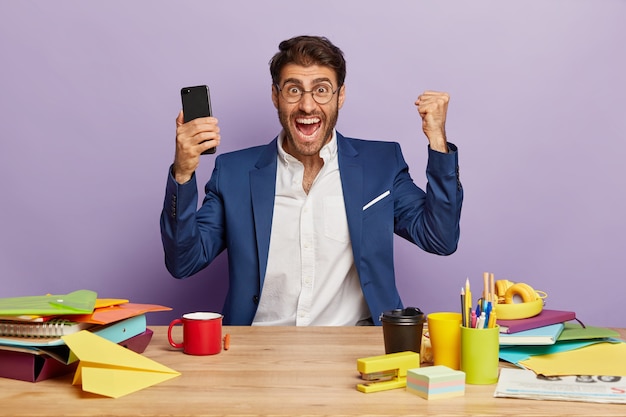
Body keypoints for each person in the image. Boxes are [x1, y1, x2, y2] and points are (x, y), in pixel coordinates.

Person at [160, 35, 463, 326]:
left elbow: (440, 238)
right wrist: (183, 173)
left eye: (321, 90)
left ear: (340, 95)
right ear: (275, 95)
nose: (307, 106)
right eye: (294, 90)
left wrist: (438, 140)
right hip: (257, 349)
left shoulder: (381, 164)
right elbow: (183, 261)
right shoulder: (234, 173)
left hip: (354, 349)